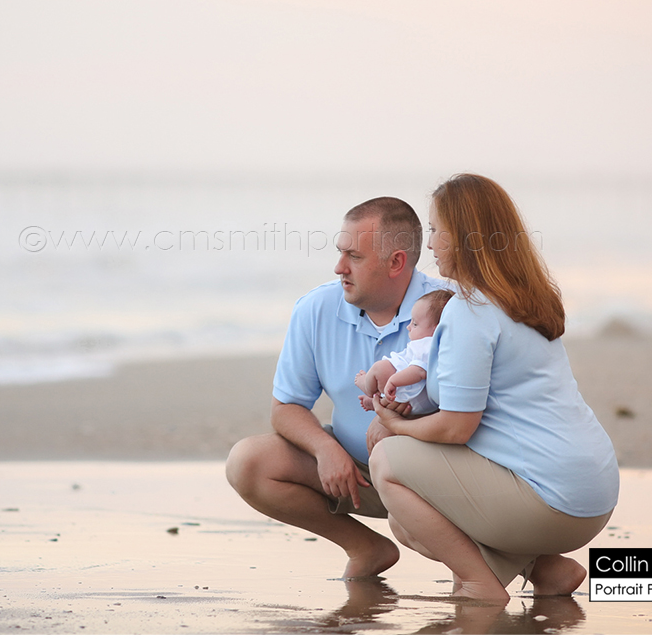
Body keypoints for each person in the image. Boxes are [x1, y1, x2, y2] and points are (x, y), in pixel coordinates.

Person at [368, 174, 619, 602]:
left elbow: (456, 429)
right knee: (406, 524)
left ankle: (478, 584)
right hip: (594, 491)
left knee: (387, 461)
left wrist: (394, 425)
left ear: (464, 237)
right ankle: (547, 571)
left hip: (553, 499)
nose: (429, 245)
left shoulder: (471, 312)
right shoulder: (526, 299)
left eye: (435, 231)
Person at [225, 196, 448, 579]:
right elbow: (287, 407)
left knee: (487, 580)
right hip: (356, 473)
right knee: (248, 462)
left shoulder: (451, 310)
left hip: (435, 479)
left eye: (355, 257)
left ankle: (527, 569)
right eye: (340, 252)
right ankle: (366, 549)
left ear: (396, 262)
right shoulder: (315, 309)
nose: (339, 267)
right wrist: (325, 448)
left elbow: (474, 415)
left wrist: (395, 427)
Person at [354, 288, 453, 414]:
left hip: (407, 387)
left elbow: (418, 371)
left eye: (415, 324)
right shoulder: (445, 347)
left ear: (436, 329)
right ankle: (374, 401)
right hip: (417, 399)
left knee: (380, 368)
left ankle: (368, 387)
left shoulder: (428, 344)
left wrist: (394, 380)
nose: (408, 327)